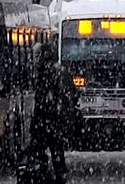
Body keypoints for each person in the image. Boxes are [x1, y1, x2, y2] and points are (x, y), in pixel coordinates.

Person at [29, 44, 77, 184]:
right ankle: (58, 174)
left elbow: (42, 101)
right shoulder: (60, 71)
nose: (36, 59)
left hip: (46, 121)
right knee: (56, 150)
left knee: (42, 151)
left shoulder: (45, 73)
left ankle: (44, 174)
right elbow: (72, 95)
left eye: (38, 56)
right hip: (55, 121)